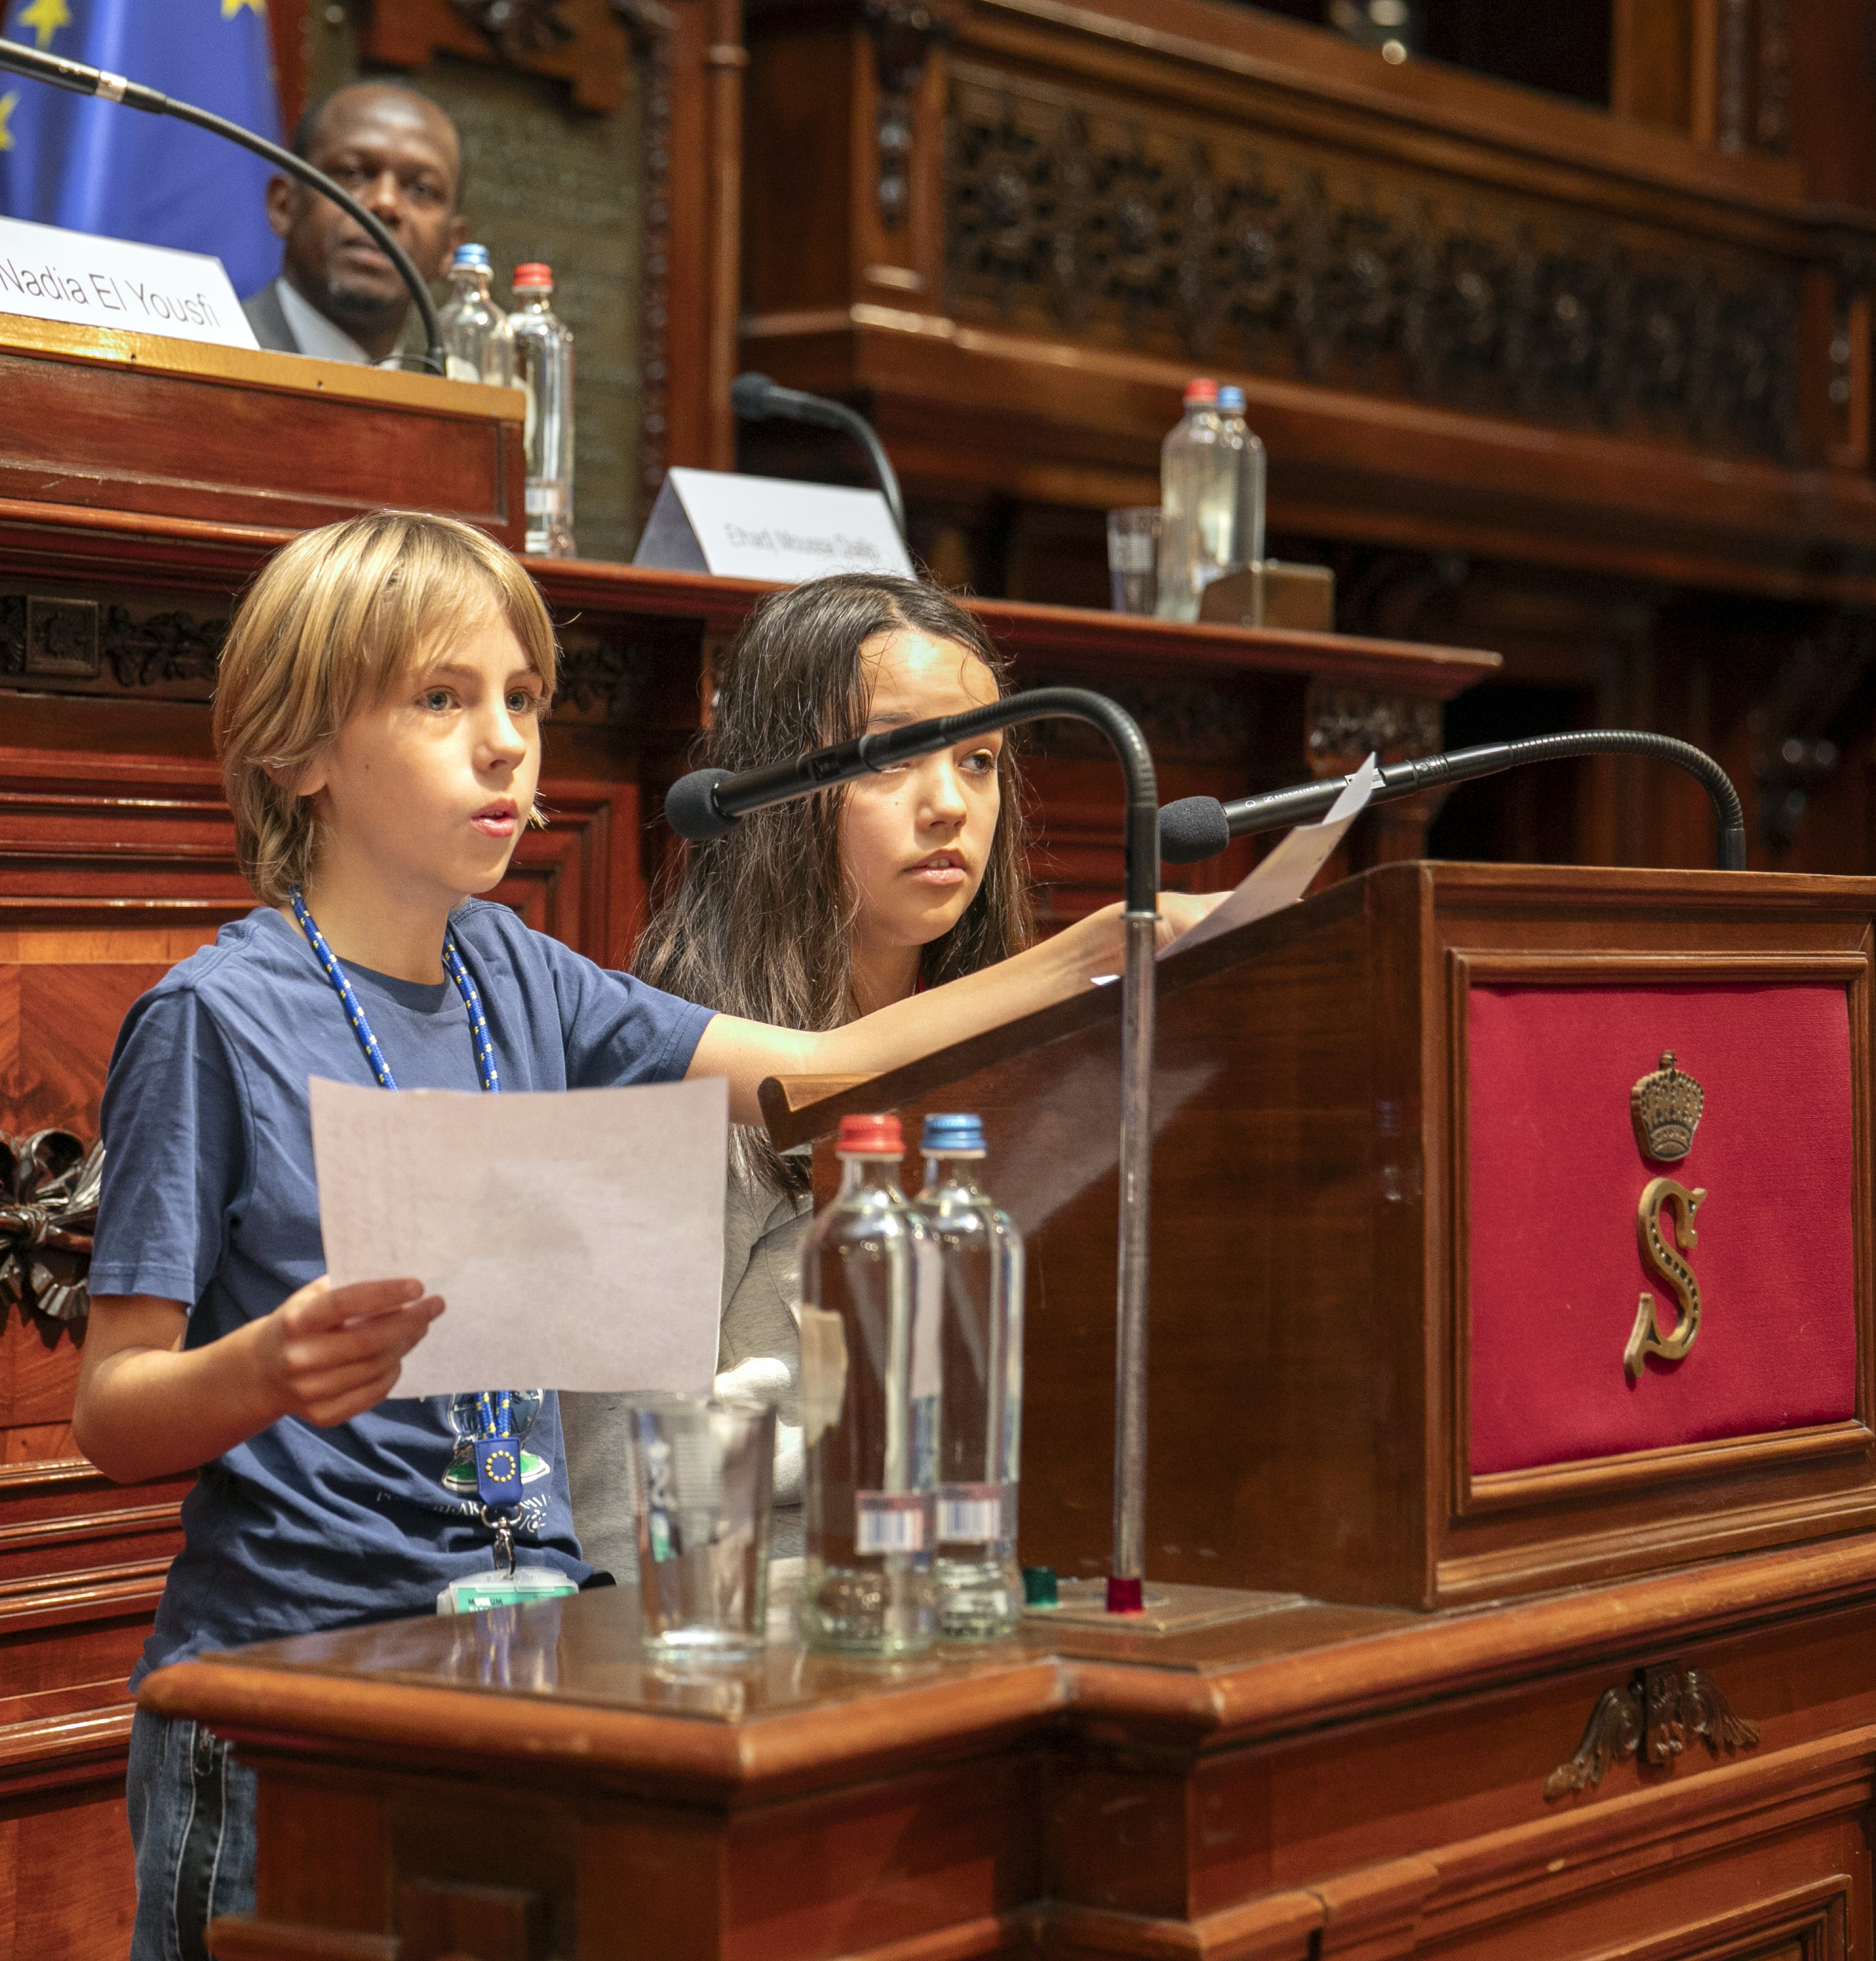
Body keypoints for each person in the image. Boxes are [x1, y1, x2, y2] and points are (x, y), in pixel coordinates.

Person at [73, 514, 1215, 1960]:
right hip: (287, 1695)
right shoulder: (213, 1018)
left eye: (522, 701)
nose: (503, 745)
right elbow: (110, 1412)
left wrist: (1101, 950)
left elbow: (827, 1063)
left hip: (515, 1667)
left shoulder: (522, 972)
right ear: (298, 749)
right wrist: (266, 1366)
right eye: (443, 699)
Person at [563, 574, 1052, 1577]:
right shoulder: (683, 1085)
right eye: (895, 756)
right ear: (779, 788)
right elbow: (610, 1497)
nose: (949, 804)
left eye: (979, 759)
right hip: (750, 1645)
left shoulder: (1019, 1060)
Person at [243, 83, 467, 365]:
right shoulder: (203, 357)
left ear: (451, 248)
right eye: (353, 173)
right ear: (285, 206)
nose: (385, 204)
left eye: (421, 190)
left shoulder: (456, 397)